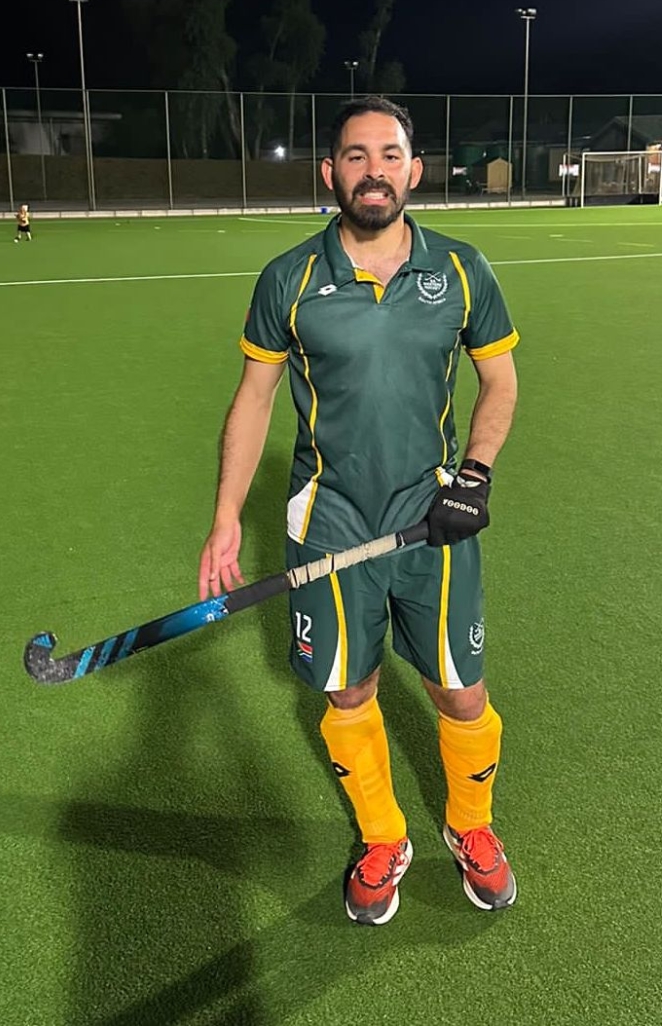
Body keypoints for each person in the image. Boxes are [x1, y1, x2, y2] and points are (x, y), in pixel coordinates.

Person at [199, 96, 520, 926]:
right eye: (354, 155)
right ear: (329, 173)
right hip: (329, 523)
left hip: (431, 519)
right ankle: (382, 837)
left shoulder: (461, 270)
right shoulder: (289, 279)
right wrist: (227, 515)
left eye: (388, 155)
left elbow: (499, 380)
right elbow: (253, 399)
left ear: (414, 171)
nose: (372, 171)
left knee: (460, 690)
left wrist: (474, 476)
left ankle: (470, 825)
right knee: (349, 691)